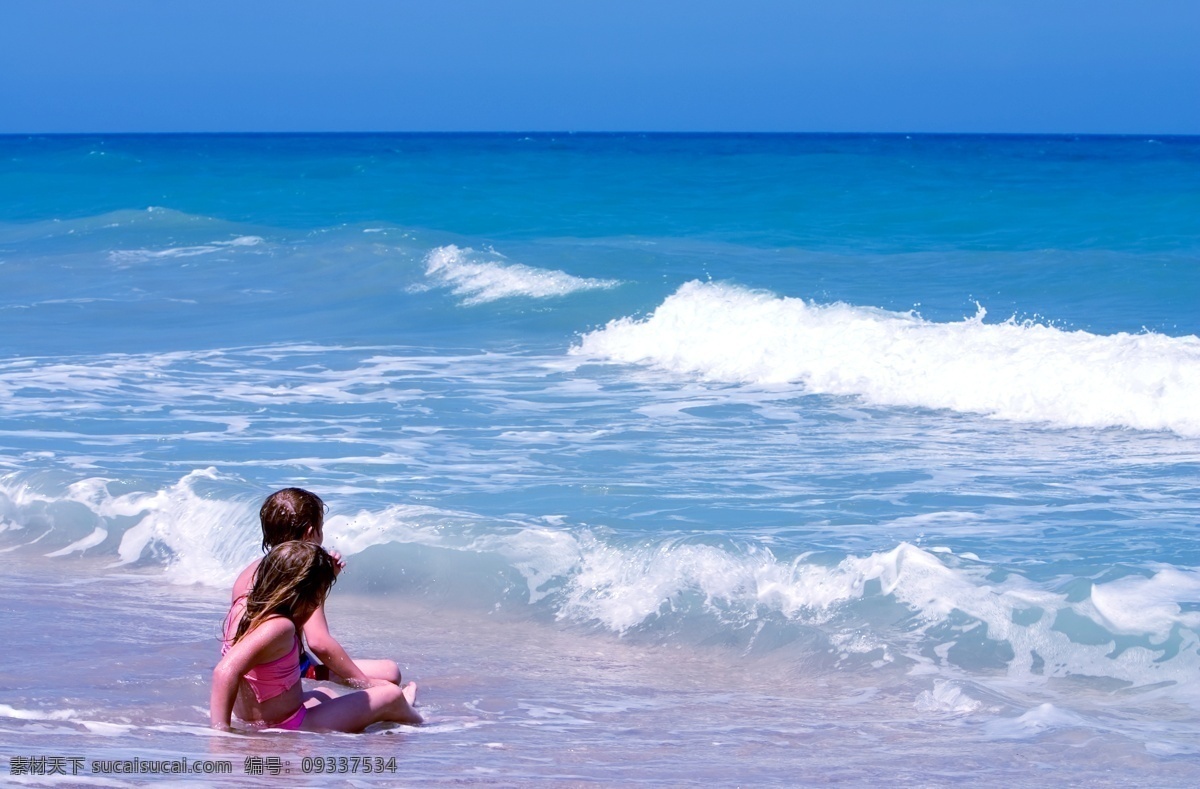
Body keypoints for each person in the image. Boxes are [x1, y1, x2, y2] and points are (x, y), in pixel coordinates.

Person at [211, 540, 421, 732]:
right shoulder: (279, 626)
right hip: (290, 724)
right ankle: (413, 715)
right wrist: (221, 734)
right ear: (306, 593)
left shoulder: (245, 609)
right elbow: (224, 672)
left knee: (324, 694)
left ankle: (384, 719)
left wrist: (325, 576)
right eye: (319, 594)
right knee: (390, 695)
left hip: (262, 718)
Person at [232, 487, 400, 687]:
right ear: (310, 533)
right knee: (390, 672)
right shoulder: (302, 573)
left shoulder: (252, 570)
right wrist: (366, 684)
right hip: (286, 672)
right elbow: (319, 643)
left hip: (253, 669)